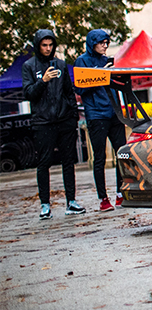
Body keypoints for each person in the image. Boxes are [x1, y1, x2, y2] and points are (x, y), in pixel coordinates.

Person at [21, 29, 85, 219]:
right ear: (38, 45)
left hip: (64, 120)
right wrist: (43, 80)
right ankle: (45, 205)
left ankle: (71, 202)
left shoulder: (61, 64)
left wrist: (73, 115)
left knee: (68, 162)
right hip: (43, 122)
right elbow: (28, 94)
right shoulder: (29, 66)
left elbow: (68, 91)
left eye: (50, 45)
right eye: (44, 45)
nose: (48, 49)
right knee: (44, 163)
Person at [74, 30, 126, 211]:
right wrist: (100, 76)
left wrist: (115, 75)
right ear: (92, 44)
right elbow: (80, 88)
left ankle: (121, 193)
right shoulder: (82, 61)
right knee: (100, 157)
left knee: (121, 153)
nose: (105, 45)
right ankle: (103, 198)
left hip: (114, 113)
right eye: (101, 43)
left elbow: (117, 84)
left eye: (107, 42)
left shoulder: (107, 61)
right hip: (96, 114)